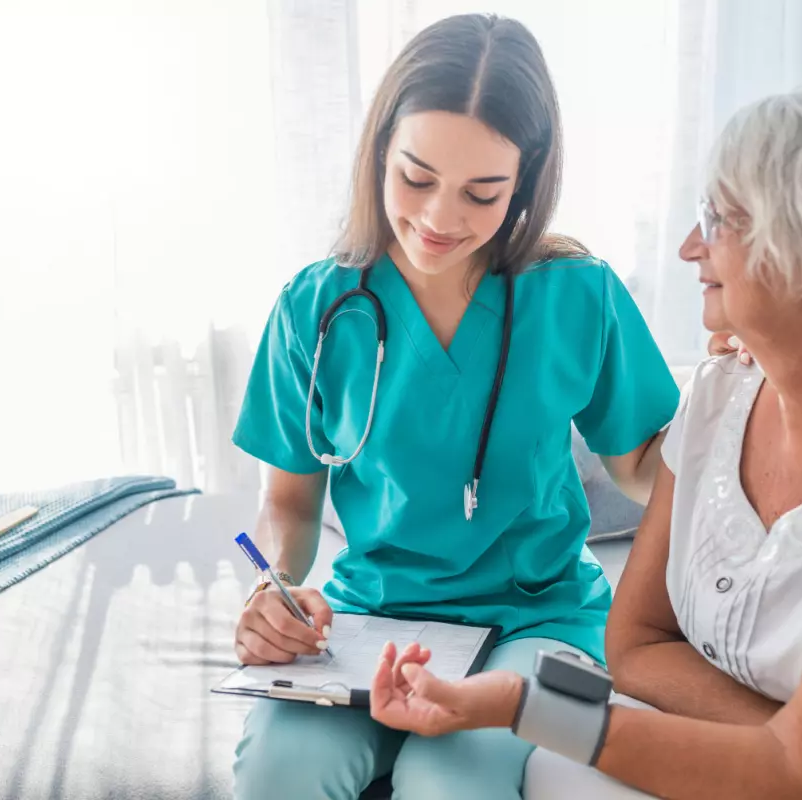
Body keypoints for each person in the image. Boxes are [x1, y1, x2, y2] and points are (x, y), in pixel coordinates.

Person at [368, 86, 802, 800]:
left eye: (721, 221)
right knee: (557, 771)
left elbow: (796, 774)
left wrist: (524, 705)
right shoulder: (723, 392)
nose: (690, 247)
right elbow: (636, 646)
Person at [230, 13, 682, 800]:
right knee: (280, 770)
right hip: (369, 617)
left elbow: (649, 467)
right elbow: (289, 502)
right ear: (378, 155)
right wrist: (272, 587)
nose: (440, 219)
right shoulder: (315, 307)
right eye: (415, 178)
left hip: (544, 623)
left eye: (482, 193)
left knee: (451, 782)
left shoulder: (578, 295)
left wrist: (750, 406)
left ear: (528, 183)